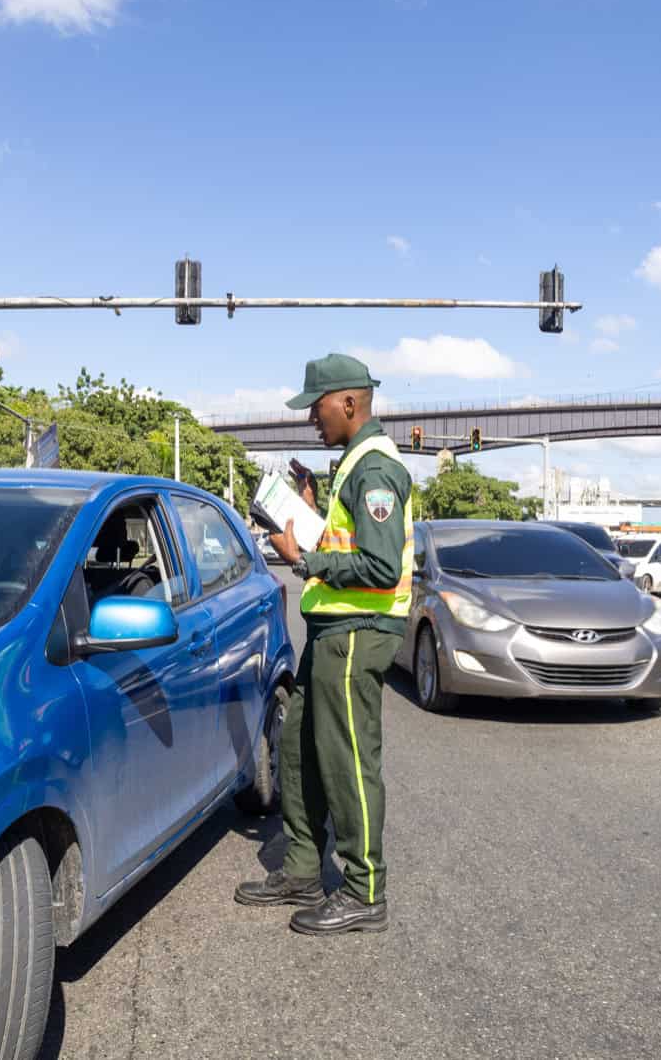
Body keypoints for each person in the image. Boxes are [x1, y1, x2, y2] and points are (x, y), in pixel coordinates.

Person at [235, 353, 413, 935]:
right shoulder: (352, 467)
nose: (311, 419)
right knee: (298, 749)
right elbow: (354, 542)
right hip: (332, 630)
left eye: (315, 407)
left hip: (357, 634)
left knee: (348, 762)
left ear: (347, 402)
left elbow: (382, 566)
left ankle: (364, 890)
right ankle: (305, 870)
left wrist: (302, 557)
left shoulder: (376, 469)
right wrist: (309, 515)